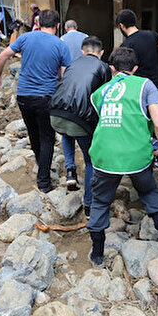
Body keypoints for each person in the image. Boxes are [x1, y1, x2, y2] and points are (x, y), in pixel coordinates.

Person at [87, 47, 158, 268]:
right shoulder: (145, 85)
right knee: (149, 191)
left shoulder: (100, 92)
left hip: (104, 155)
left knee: (101, 201)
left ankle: (98, 255)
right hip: (137, 155)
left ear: (111, 68)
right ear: (136, 68)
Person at [0, 10, 71, 192]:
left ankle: (40, 162)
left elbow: (2, 56)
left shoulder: (26, 38)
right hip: (45, 98)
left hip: (24, 96)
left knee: (33, 133)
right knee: (48, 137)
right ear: (58, 26)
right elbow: (65, 75)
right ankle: (43, 182)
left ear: (39, 23)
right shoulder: (60, 45)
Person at [49, 36, 111, 217]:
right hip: (79, 118)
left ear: (83, 51)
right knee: (91, 160)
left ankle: (70, 172)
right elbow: (105, 96)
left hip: (55, 114)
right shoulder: (103, 67)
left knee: (67, 132)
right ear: (101, 53)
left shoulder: (73, 64)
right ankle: (89, 204)